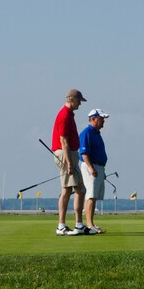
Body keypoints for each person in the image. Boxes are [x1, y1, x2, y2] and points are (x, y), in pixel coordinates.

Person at [52, 89, 87, 236]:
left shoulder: (68, 114)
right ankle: (63, 225)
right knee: (70, 189)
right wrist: (69, 163)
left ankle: (76, 224)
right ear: (71, 99)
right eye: (79, 100)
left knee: (76, 189)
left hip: (70, 154)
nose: (80, 103)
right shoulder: (64, 115)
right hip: (66, 154)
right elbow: (63, 141)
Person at [78, 108, 110, 235]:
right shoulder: (87, 132)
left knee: (94, 196)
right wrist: (91, 168)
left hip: (98, 167)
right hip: (91, 167)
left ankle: (91, 224)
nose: (103, 121)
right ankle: (89, 224)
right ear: (93, 119)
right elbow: (84, 153)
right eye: (101, 119)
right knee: (90, 195)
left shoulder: (96, 133)